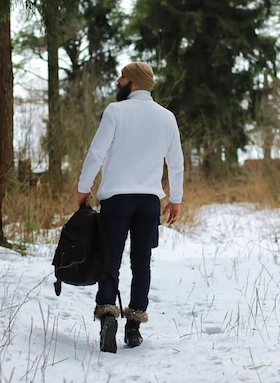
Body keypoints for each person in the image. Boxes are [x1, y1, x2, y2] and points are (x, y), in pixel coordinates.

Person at [77, 62, 184, 353]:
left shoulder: (115, 111)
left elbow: (97, 153)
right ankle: (134, 326)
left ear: (133, 82)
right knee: (141, 263)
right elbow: (175, 161)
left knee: (109, 260)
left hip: (117, 199)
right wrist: (176, 199)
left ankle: (108, 316)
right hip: (149, 201)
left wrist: (83, 188)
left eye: (122, 76)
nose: (118, 80)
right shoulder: (167, 117)